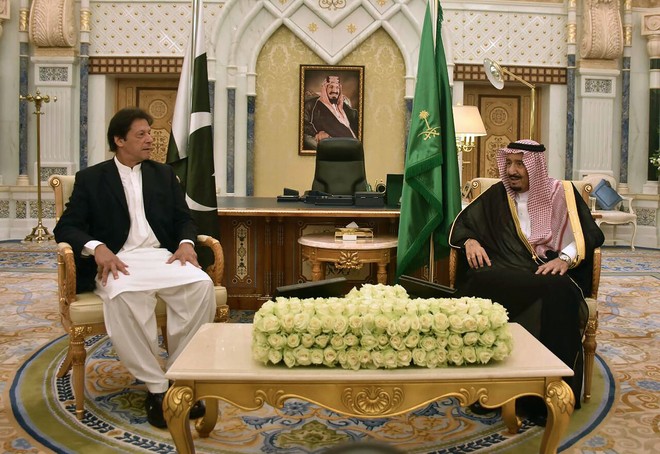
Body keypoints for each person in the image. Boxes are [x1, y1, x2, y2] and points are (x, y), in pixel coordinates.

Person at [53, 107, 216, 429]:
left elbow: (184, 218)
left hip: (161, 256)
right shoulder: (92, 179)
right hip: (119, 259)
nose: (150, 140)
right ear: (119, 140)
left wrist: (186, 243)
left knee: (201, 285)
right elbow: (66, 227)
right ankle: (156, 388)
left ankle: (179, 376)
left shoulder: (163, 174)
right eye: (141, 134)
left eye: (150, 133)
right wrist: (97, 248)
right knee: (125, 295)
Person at [449, 139, 604, 423]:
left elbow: (589, 234)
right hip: (507, 268)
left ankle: (545, 398)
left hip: (547, 268)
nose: (512, 170)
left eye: (520, 164)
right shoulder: (498, 195)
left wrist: (565, 259)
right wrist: (470, 240)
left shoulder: (562, 193)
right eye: (509, 163)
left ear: (536, 166)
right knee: (478, 282)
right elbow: (464, 224)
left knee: (559, 291)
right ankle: (488, 390)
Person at [303, 75, 359, 150]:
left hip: (353, 148)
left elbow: (355, 119)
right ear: (325, 89)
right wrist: (316, 133)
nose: (334, 91)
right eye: (331, 87)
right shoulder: (314, 106)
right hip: (337, 147)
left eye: (337, 87)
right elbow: (304, 124)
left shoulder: (344, 106)